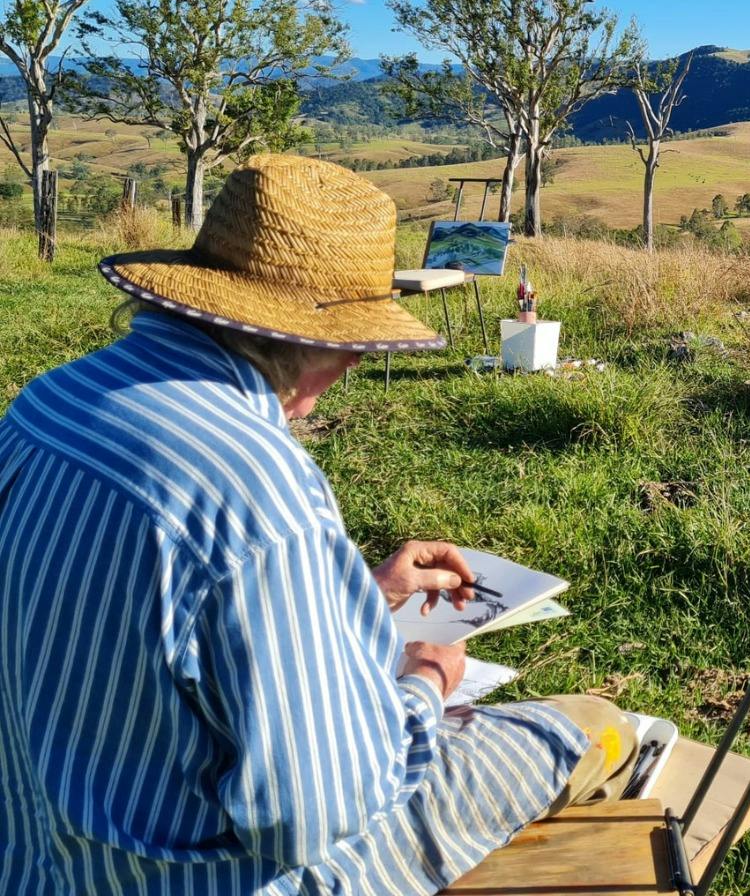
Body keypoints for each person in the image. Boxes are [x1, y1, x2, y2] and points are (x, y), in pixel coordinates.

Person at [0, 155, 636, 894]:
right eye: (358, 347)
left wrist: (355, 590)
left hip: (36, 855)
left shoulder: (46, 402)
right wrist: (425, 688)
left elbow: (143, 605)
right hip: (193, 874)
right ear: (330, 346)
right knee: (588, 724)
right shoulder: (255, 484)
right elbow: (311, 816)